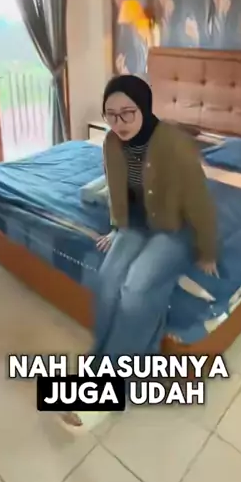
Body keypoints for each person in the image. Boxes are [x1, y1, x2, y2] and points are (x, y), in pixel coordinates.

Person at [61, 74, 217, 430]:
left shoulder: (176, 146)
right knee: (108, 278)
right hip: (135, 225)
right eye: (111, 114)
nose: (119, 123)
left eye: (127, 113)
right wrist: (117, 228)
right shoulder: (110, 143)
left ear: (144, 108)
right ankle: (103, 356)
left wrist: (207, 251)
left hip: (176, 228)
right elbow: (117, 191)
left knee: (137, 285)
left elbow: (201, 204)